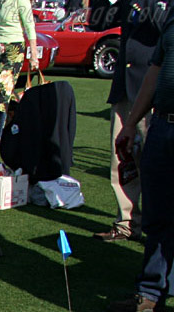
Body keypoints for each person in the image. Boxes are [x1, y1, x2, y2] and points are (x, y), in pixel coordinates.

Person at [108, 14, 174, 312]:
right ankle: (150, 292)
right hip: (162, 125)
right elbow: (155, 70)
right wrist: (132, 122)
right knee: (157, 215)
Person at [97, 0, 170, 242]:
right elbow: (101, 21)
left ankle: (155, 225)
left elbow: (162, 27)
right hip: (124, 88)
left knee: (152, 163)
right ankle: (127, 223)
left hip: (151, 91)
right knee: (120, 161)